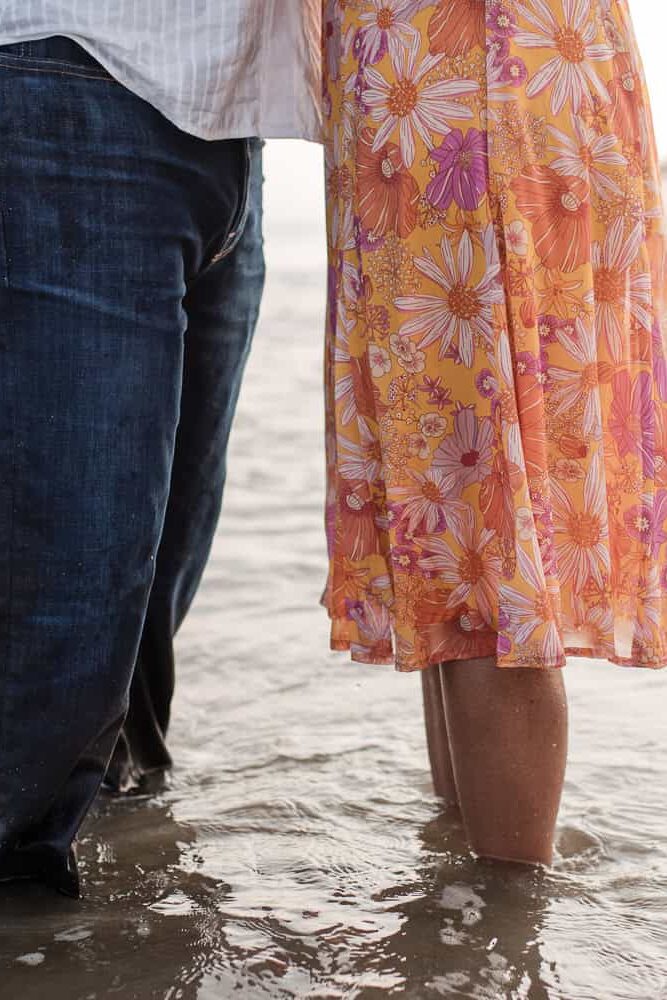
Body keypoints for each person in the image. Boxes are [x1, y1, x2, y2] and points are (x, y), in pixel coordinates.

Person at [321, 0, 666, 866]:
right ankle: (472, 900)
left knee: (477, 522)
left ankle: (504, 933)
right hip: (442, 90)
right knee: (452, 515)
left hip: (473, 88)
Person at [0, 3, 321, 897]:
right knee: (65, 588)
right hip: (67, 74)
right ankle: (32, 931)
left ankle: (114, 928)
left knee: (143, 587)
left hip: (229, 121)